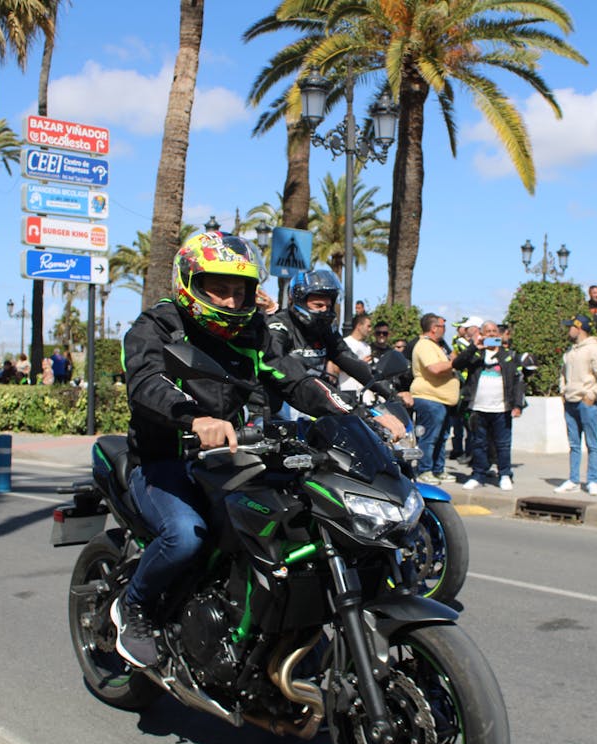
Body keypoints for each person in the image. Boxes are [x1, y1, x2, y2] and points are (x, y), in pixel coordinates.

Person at [114, 231, 403, 668]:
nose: (231, 301)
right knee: (185, 537)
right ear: (189, 283)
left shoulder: (254, 330)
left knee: (290, 522)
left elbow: (295, 379)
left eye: (240, 290)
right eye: (219, 289)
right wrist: (194, 419)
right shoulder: (156, 326)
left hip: (229, 457)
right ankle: (133, 607)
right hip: (164, 461)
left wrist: (362, 417)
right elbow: (145, 381)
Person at [267, 270, 398, 413]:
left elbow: (348, 359)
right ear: (299, 301)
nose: (324, 311)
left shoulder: (326, 330)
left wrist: (391, 394)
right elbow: (282, 368)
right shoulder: (278, 326)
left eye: (328, 306)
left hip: (318, 404)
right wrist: (352, 409)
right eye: (318, 305)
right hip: (278, 409)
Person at [454, 320, 523, 491]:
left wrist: (517, 405)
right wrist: (474, 347)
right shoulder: (476, 355)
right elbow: (457, 364)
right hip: (478, 408)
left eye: (494, 331)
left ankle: (505, 474)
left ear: (499, 335)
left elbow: (518, 382)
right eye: (487, 331)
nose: (491, 334)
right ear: (482, 334)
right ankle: (478, 474)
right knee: (478, 443)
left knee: (503, 444)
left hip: (502, 408)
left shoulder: (508, 356)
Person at [555, 314, 597, 495]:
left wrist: (591, 395)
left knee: (591, 444)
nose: (568, 330)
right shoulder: (570, 351)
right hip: (570, 403)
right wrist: (563, 391)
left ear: (579, 328)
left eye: (570, 326)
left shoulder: (596, 350)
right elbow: (563, 374)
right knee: (574, 444)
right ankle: (573, 479)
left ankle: (592, 480)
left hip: (587, 404)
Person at [411, 313, 460, 483]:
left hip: (442, 399)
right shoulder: (424, 345)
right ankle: (424, 470)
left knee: (442, 436)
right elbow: (434, 368)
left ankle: (438, 469)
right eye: (443, 326)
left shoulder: (437, 346)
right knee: (430, 436)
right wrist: (455, 363)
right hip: (429, 397)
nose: (445, 330)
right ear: (434, 328)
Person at [450, 315, 483, 465]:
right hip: (468, 391)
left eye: (468, 328)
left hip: (484, 395)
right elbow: (458, 363)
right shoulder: (467, 346)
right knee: (469, 427)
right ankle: (472, 457)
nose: (465, 330)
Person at [336, 312, 372, 403]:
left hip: (364, 393)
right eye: (368, 326)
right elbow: (336, 367)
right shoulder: (345, 343)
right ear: (359, 326)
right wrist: (359, 364)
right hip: (347, 390)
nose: (370, 329)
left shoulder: (367, 347)